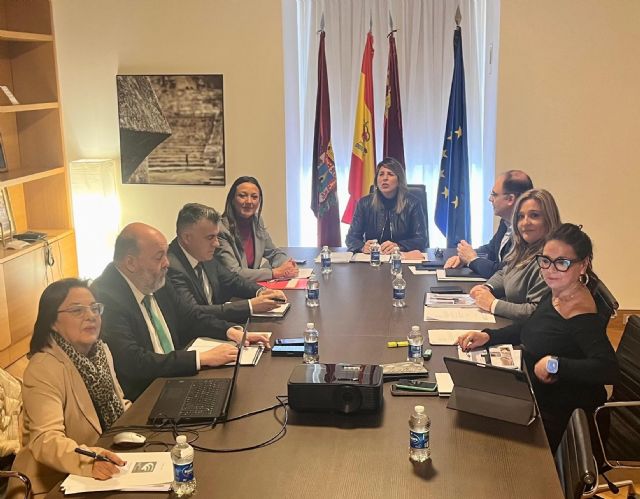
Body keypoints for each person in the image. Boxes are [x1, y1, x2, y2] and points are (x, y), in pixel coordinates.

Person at [458, 224, 619, 452]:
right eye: (545, 261)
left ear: (583, 265)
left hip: (564, 421)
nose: (550, 270)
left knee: (479, 439)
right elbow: (531, 327)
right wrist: (488, 336)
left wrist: (555, 364)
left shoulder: (581, 313)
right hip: (533, 395)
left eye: (562, 263)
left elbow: (608, 368)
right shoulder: (556, 293)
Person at [91, 223, 269, 401]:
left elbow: (189, 316)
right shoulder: (105, 297)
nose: (167, 263)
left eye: (166, 255)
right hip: (145, 396)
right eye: (159, 257)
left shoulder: (153, 279)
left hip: (173, 380)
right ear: (131, 263)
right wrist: (200, 358)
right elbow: (133, 361)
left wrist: (230, 331)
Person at [7, 279, 129, 499]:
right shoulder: (44, 367)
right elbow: (46, 439)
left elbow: (120, 402)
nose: (91, 316)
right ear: (53, 322)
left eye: (95, 308)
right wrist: (89, 461)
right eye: (77, 310)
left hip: (104, 465)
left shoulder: (100, 352)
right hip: (54, 483)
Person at [168, 203, 287, 322]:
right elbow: (193, 313)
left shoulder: (201, 252)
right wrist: (250, 306)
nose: (216, 244)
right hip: (197, 331)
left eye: (216, 236)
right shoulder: (171, 267)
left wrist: (261, 291)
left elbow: (232, 280)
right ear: (187, 238)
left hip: (217, 325)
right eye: (210, 237)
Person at [470, 188, 561, 320]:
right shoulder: (525, 248)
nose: (525, 222)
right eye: (520, 216)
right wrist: (487, 288)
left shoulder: (551, 260)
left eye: (534, 215)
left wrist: (493, 304)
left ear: (549, 219)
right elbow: (505, 272)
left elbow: (537, 312)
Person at [445, 170, 533, 278]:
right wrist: (464, 256)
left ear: (510, 199)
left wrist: (472, 260)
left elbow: (505, 272)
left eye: (494, 195)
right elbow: (491, 250)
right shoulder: (506, 221)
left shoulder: (527, 231)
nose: (490, 199)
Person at [217, 176, 298, 282]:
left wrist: (288, 264)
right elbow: (234, 272)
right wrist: (274, 273)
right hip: (232, 289)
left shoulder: (257, 221)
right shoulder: (221, 229)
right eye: (242, 196)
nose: (249, 201)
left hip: (252, 286)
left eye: (254, 197)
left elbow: (273, 252)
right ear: (232, 199)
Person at [345, 157, 427, 254]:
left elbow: (421, 239)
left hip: (401, 258)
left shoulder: (413, 204)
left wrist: (398, 246)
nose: (385, 178)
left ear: (399, 180)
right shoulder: (364, 204)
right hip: (374, 258)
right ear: (376, 180)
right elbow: (351, 238)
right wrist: (362, 247)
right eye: (381, 174)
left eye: (390, 174)